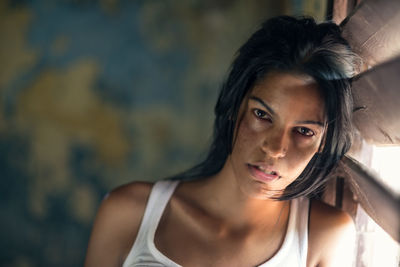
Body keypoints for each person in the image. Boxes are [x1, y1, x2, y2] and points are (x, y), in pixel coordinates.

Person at [85, 16, 360, 267]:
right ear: (233, 106)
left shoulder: (325, 238)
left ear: (324, 142)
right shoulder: (129, 213)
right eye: (262, 115)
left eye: (304, 132)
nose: (275, 148)